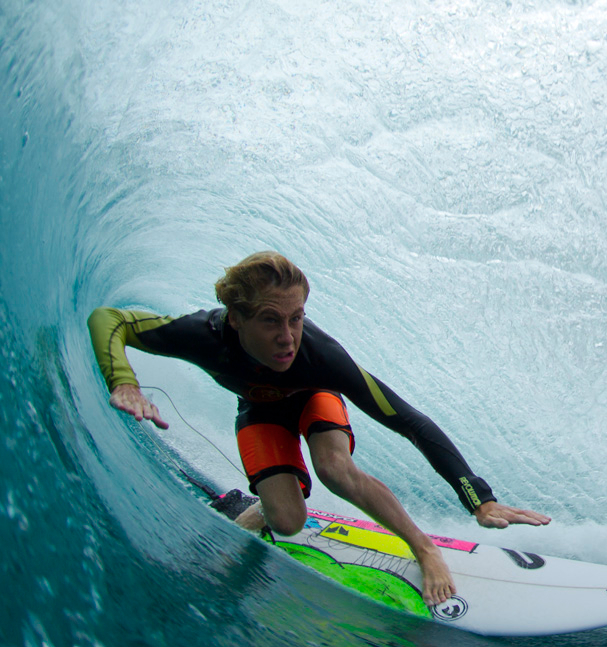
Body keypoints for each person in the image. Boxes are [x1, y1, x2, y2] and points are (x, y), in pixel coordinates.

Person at [87, 251, 550, 606]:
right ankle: (259, 510)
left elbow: (410, 421)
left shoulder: (321, 357)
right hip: (260, 410)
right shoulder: (203, 337)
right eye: (271, 320)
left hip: (314, 399)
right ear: (237, 318)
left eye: (297, 317)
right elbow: (111, 319)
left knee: (332, 468)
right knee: (288, 523)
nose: (288, 336)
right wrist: (123, 382)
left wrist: (480, 499)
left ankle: (424, 548)